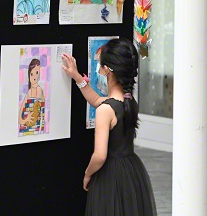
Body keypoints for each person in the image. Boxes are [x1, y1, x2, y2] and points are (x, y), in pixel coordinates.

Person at [62, 38, 156, 215]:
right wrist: (76, 77)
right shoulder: (129, 102)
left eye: (100, 64)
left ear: (107, 70)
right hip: (130, 170)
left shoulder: (106, 110)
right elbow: (96, 100)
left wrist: (88, 174)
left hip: (110, 176)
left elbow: (99, 155)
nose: (99, 68)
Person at [19, 58, 46, 134]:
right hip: (25, 131)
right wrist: (26, 119)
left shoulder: (40, 91)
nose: (34, 77)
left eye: (37, 73)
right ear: (29, 75)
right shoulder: (29, 93)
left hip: (37, 131)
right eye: (32, 74)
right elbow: (20, 120)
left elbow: (42, 116)